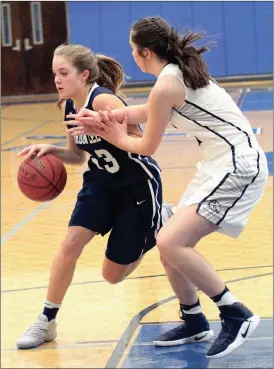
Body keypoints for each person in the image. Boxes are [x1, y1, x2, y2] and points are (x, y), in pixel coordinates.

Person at [67, 17, 268, 359]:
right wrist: (108, 119)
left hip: (237, 166)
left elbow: (146, 146)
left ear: (145, 52)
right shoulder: (174, 75)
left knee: (171, 241)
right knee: (168, 237)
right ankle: (193, 319)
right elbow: (144, 111)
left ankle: (235, 313)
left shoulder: (167, 84)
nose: (131, 56)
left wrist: (111, 133)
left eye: (133, 50)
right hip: (219, 165)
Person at [16, 43, 168, 349]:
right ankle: (46, 321)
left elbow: (142, 141)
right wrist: (50, 150)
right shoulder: (68, 105)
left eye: (64, 73)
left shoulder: (104, 100)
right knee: (69, 244)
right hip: (100, 183)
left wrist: (107, 129)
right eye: (54, 73)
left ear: (84, 75)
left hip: (136, 184)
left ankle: (158, 226)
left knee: (113, 276)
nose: (57, 79)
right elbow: (76, 156)